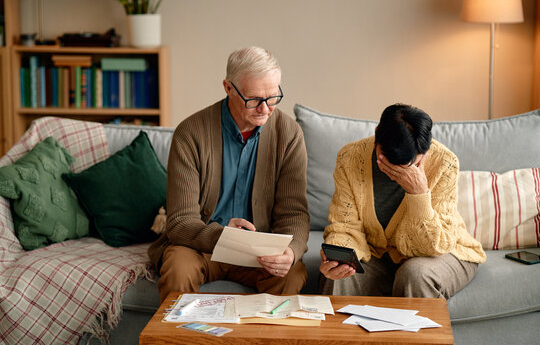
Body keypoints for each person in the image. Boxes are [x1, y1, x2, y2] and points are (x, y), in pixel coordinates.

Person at [148, 46, 310, 302]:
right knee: (178, 270)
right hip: (200, 246)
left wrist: (290, 251)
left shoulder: (288, 134)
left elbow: (294, 213)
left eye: (273, 97)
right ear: (228, 88)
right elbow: (179, 223)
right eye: (255, 99)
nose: (265, 109)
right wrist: (222, 234)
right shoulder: (190, 133)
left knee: (291, 274)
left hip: (259, 253)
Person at [320, 104, 486, 299]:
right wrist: (341, 257)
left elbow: (434, 247)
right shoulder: (350, 158)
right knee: (338, 278)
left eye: (410, 165)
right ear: (376, 138)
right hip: (379, 256)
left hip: (442, 252)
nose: (396, 172)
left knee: (415, 274)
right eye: (388, 162)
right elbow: (344, 226)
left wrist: (419, 194)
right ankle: (335, 331)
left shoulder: (445, 163)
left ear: (424, 150)